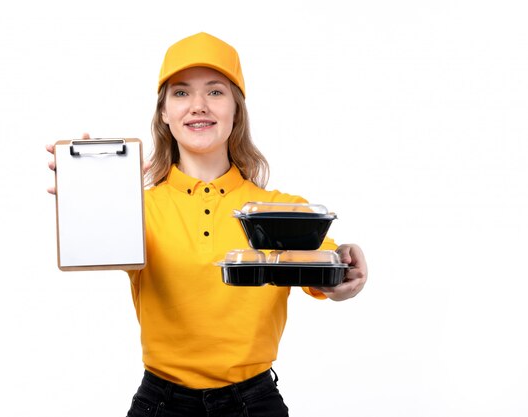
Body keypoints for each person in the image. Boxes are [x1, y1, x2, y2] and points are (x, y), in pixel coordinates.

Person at [47, 32, 367, 417]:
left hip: (254, 404)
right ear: (163, 112)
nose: (198, 105)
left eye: (215, 92)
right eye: (181, 93)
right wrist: (90, 196)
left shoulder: (280, 210)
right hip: (161, 404)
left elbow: (330, 275)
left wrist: (347, 266)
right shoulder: (136, 209)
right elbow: (88, 247)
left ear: (236, 108)